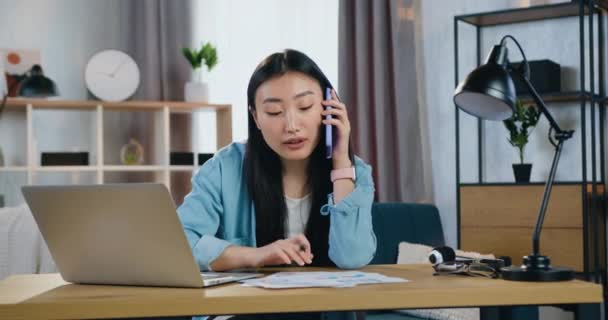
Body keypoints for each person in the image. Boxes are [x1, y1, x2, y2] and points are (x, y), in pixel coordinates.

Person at [177, 49, 377, 320]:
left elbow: (352, 257)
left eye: (305, 107)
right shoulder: (224, 168)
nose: (291, 125)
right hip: (242, 313)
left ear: (328, 108)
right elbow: (179, 245)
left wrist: (340, 161)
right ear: (256, 117)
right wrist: (255, 256)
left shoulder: (354, 172)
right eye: (274, 112)